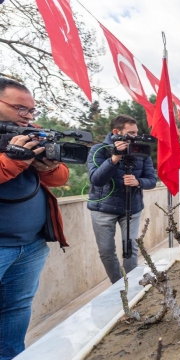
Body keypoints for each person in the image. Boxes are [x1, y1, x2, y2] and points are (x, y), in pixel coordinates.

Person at [0, 78, 70, 358]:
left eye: (32, 111)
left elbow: (61, 177)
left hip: (31, 244)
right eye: (20, 109)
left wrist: (48, 166)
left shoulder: (33, 133)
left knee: (17, 308)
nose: (28, 117)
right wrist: (15, 159)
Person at [87, 115, 157, 284]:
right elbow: (96, 179)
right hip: (103, 208)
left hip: (132, 207)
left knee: (130, 246)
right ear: (116, 133)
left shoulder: (142, 152)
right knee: (106, 250)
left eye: (137, 133)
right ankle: (118, 285)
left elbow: (152, 180)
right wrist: (115, 158)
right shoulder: (99, 150)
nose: (136, 137)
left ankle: (132, 285)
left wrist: (138, 182)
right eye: (131, 133)